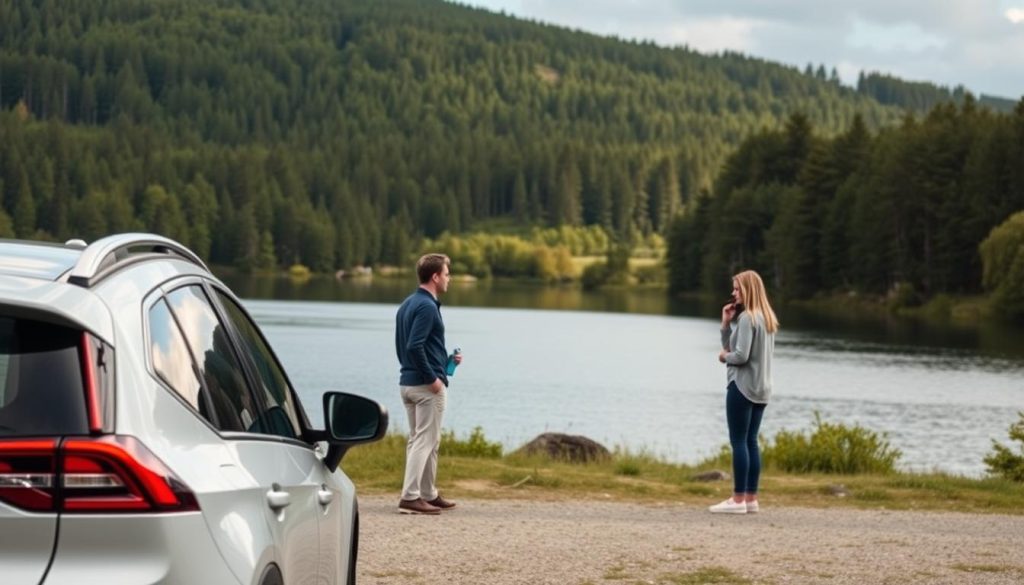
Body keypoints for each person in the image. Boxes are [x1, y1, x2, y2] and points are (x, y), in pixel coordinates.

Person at [395, 253, 463, 515]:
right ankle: (411, 497)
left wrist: (444, 362)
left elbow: (409, 347)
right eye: (447, 273)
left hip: (409, 382)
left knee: (424, 440)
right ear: (435, 277)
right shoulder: (426, 306)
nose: (449, 278)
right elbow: (414, 345)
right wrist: (432, 378)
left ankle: (428, 493)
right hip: (425, 386)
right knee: (426, 440)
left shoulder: (408, 304)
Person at [709, 269, 778, 515]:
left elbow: (739, 355)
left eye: (737, 288)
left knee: (738, 441)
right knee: (751, 441)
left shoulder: (748, 318)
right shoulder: (766, 317)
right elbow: (736, 345)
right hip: (762, 389)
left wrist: (723, 357)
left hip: (742, 387)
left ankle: (737, 500)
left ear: (748, 289)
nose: (733, 293)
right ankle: (750, 498)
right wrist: (726, 324)